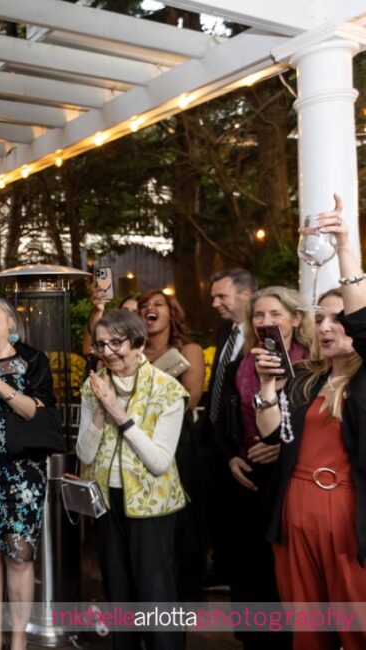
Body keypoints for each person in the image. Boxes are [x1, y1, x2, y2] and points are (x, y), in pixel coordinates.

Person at [254, 196, 366, 650]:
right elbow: (269, 435)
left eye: (337, 319)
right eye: (319, 318)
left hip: (348, 514)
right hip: (295, 509)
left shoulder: (365, 382)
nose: (325, 327)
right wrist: (265, 388)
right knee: (308, 627)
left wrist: (344, 247)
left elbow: (365, 322)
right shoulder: (304, 377)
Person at [77, 309, 188, 650]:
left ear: (137, 342)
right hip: (108, 503)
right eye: (100, 345)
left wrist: (119, 414)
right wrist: (98, 411)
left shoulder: (167, 389)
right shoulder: (94, 386)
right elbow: (83, 453)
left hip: (152, 507)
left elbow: (158, 462)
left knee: (156, 593)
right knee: (118, 590)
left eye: (116, 343)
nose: (108, 352)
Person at [222, 286, 311, 650]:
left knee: (285, 574)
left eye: (275, 314)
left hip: (288, 480)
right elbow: (224, 420)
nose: (266, 322)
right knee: (249, 571)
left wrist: (282, 450)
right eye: (259, 316)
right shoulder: (241, 364)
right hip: (246, 479)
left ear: (296, 318)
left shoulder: (311, 365)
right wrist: (231, 456)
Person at [0, 297, 58, 650]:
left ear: (10, 322)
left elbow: (35, 412)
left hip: (24, 473)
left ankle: (18, 639)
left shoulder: (33, 360)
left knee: (19, 554)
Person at [137, 289, 206, 597]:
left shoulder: (188, 350)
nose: (149, 309)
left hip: (176, 439)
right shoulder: (133, 352)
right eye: (144, 306)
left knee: (182, 517)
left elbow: (190, 398)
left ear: (171, 312)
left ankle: (185, 590)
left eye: (157, 304)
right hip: (136, 440)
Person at [202, 268, 256, 588]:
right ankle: (223, 568)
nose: (214, 303)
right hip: (215, 440)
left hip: (244, 446)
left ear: (246, 295)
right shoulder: (225, 332)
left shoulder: (261, 336)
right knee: (218, 512)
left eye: (221, 296)